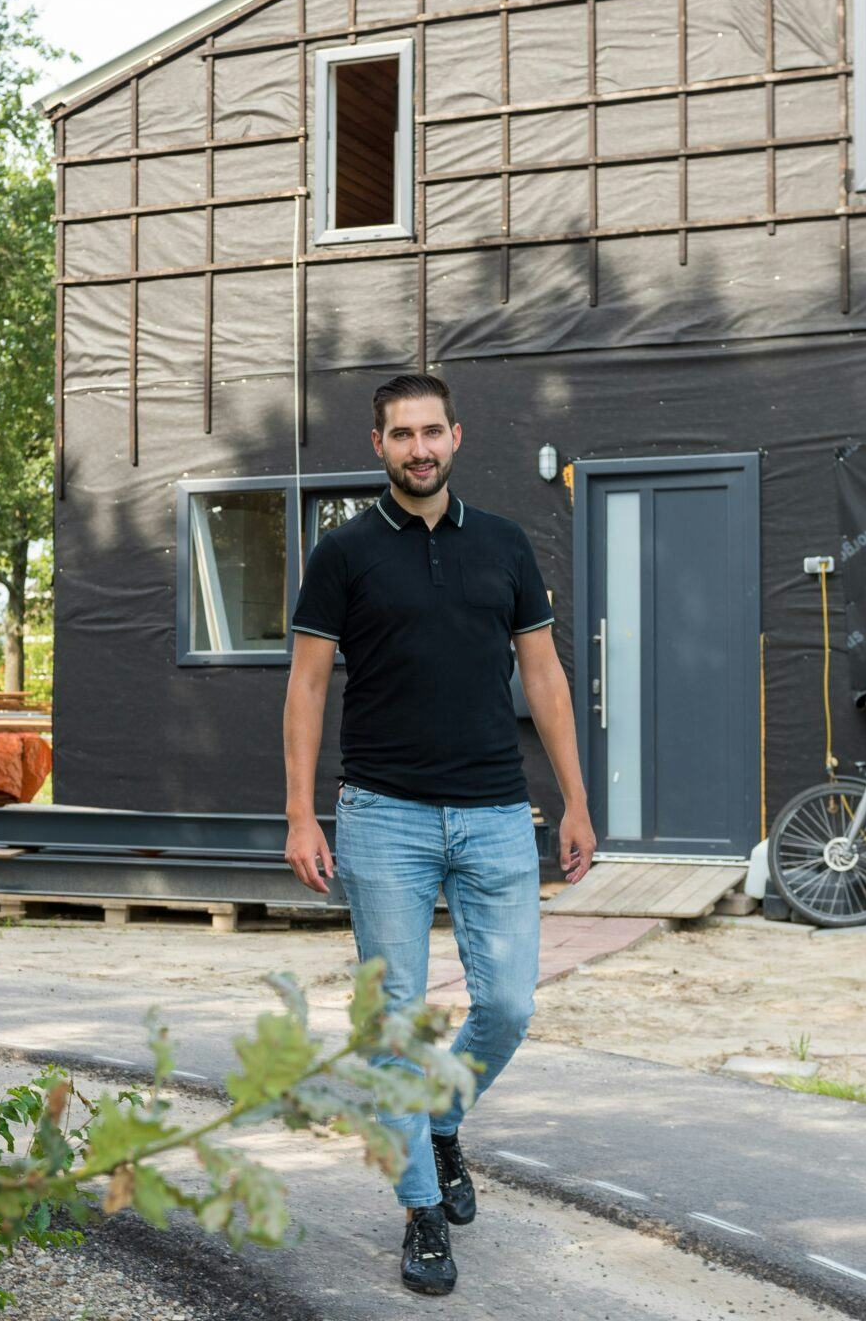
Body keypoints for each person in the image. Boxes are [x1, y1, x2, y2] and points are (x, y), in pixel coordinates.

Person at [280, 373, 596, 1298]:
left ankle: (441, 1118)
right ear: (377, 445)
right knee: (392, 1025)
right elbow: (304, 688)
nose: (419, 448)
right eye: (400, 434)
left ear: (457, 437)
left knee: (508, 1008)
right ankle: (421, 1209)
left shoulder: (504, 544)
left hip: (498, 811)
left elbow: (543, 682)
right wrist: (302, 812)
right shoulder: (342, 554)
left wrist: (573, 800)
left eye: (432, 432)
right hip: (382, 817)